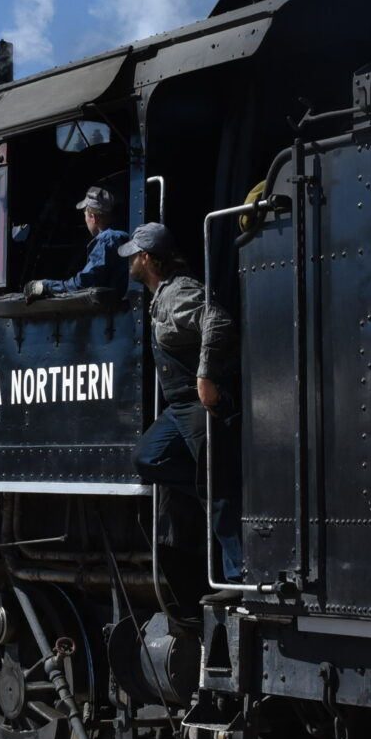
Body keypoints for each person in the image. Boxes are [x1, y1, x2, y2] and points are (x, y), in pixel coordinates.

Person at [121, 222, 243, 577]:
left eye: (134, 256)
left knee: (218, 493)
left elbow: (216, 320)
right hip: (177, 408)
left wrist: (205, 377)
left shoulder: (179, 292)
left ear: (147, 258)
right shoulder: (161, 295)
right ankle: (214, 486)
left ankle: (239, 572)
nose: (129, 262)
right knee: (147, 458)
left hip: (195, 401)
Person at [24, 185, 127, 299]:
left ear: (93, 217)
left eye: (85, 215)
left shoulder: (107, 240)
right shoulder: (121, 236)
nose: (85, 220)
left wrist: (45, 286)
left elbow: (84, 283)